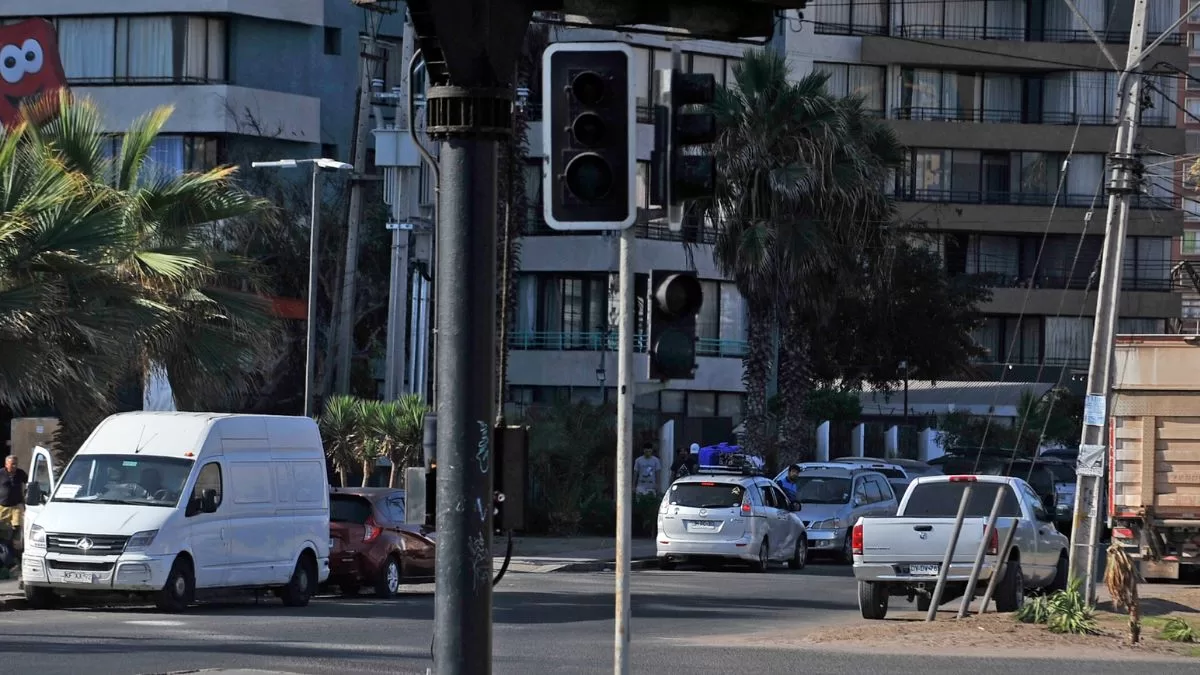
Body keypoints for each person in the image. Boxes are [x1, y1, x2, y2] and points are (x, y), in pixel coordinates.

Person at [0, 455, 29, 543]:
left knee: (17, 526)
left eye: (16, 464)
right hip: (3, 505)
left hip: (17, 505)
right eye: (12, 464)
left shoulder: (20, 473)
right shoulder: (1, 473)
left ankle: (15, 546)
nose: (14, 466)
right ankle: (3, 544)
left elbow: (29, 483)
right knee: (1, 526)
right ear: (6, 464)